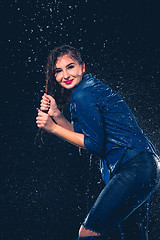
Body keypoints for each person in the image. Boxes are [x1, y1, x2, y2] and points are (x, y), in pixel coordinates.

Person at [36, 45, 160, 240]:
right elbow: (83, 137)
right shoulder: (89, 89)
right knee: (134, 235)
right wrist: (57, 115)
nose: (65, 75)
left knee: (89, 232)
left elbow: (93, 144)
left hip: (134, 168)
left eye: (71, 67)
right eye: (58, 71)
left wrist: (53, 128)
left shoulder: (83, 94)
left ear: (82, 67)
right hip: (146, 168)